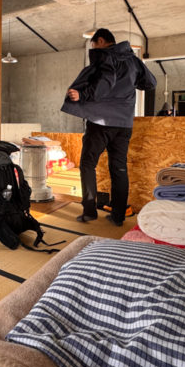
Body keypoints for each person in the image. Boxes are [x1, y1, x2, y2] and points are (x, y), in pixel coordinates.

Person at [61, 28, 156, 226]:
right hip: (124, 124)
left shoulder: (107, 57)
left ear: (101, 41)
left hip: (101, 121)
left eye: (94, 44)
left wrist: (83, 94)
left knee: (88, 164)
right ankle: (118, 216)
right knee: (119, 168)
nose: (94, 48)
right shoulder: (134, 60)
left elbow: (105, 83)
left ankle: (89, 212)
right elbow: (150, 83)